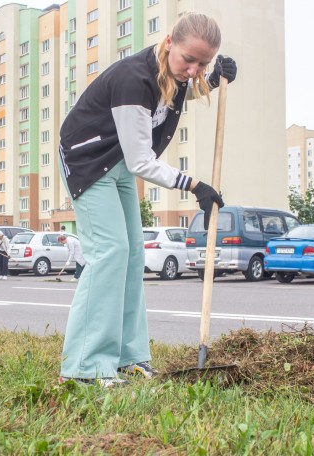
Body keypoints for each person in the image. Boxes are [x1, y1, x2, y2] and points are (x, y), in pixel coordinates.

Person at [56, 12, 236, 387]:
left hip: (118, 163)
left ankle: (127, 357)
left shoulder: (176, 74)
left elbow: (182, 90)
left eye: (203, 63)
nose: (193, 69)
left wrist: (216, 80)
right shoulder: (133, 79)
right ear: (169, 41)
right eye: (190, 59)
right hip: (88, 159)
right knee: (110, 252)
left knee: (134, 252)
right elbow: (142, 160)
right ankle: (85, 367)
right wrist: (194, 185)